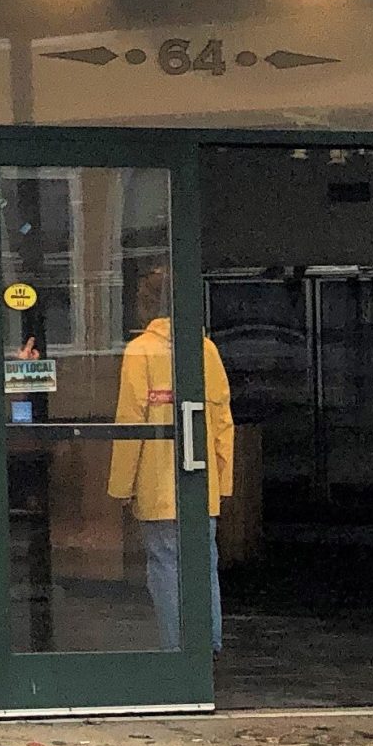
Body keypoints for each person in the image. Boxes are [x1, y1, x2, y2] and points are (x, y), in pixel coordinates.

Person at [106, 266, 234, 653]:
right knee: (203, 563)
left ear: (144, 306)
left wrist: (121, 487)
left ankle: (178, 651)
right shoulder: (206, 350)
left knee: (164, 565)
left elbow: (132, 423)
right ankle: (208, 645)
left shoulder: (139, 352)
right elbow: (223, 421)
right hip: (201, 482)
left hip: (157, 485)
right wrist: (222, 482)